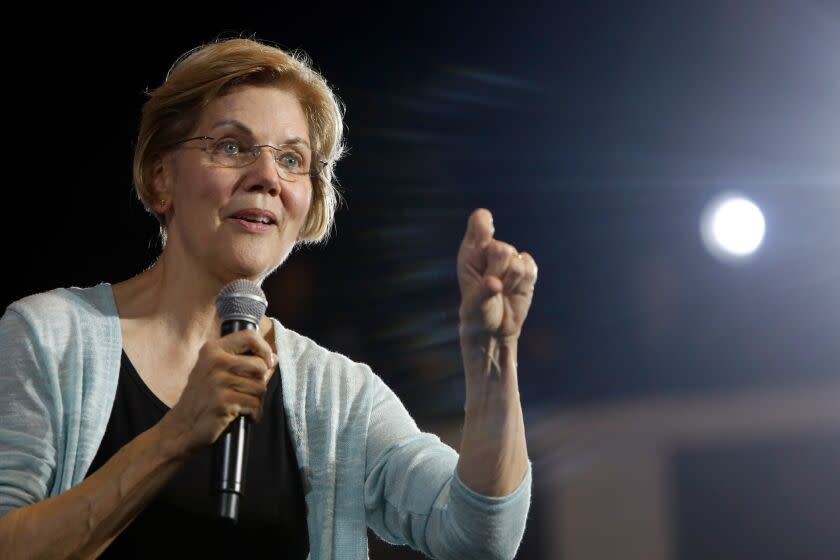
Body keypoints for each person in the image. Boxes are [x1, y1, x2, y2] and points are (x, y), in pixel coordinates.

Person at [0, 37, 537, 559]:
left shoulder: (338, 398)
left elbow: (478, 538)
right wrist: (174, 437)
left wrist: (493, 359)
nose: (267, 177)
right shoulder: (50, 336)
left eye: (292, 159)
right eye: (232, 147)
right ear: (161, 176)